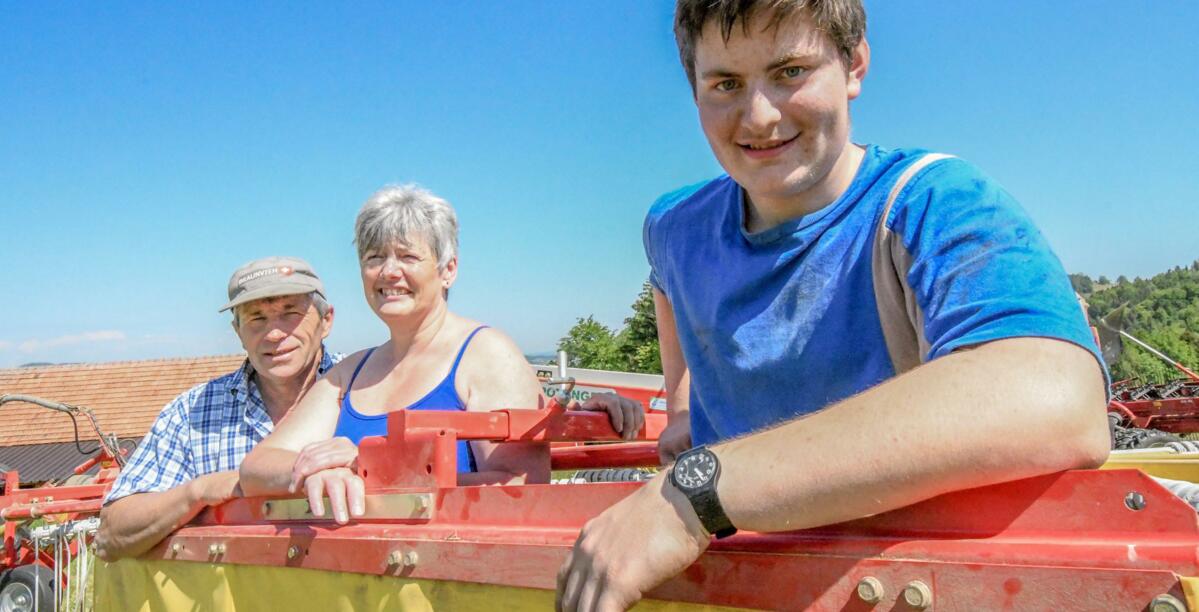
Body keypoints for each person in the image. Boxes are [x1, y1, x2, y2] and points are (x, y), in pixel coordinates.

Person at [555, 1, 1111, 610]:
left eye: (791, 71)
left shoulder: (927, 201)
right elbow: (668, 282)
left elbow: (1057, 396)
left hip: (898, 577)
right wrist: (683, 404)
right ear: (694, 90)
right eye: (726, 84)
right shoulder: (673, 224)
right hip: (733, 579)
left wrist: (694, 494)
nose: (760, 115)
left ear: (854, 66)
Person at [239, 185, 643, 524]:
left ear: (448, 269)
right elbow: (258, 467)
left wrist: (368, 471)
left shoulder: (486, 355)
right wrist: (315, 472)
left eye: (408, 256)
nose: (389, 272)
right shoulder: (350, 373)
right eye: (374, 258)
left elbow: (520, 487)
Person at [96, 256, 339, 560]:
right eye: (256, 318)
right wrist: (197, 493)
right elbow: (110, 536)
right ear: (238, 331)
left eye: (290, 313)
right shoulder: (192, 413)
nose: (274, 333)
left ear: (326, 320)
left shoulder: (368, 388)